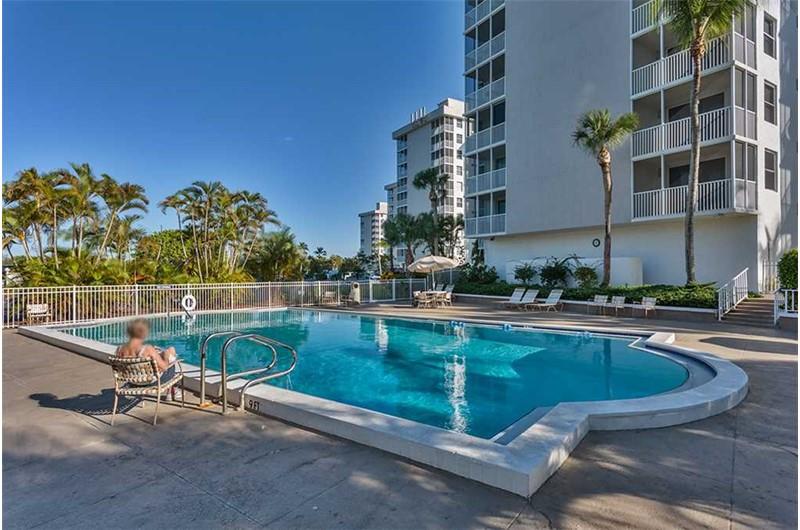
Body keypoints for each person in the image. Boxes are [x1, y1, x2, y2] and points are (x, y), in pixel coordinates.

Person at [117, 319, 179, 393]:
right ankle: (171, 392)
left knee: (166, 353)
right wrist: (166, 357)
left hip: (132, 382)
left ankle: (172, 392)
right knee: (171, 352)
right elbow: (164, 367)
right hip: (150, 382)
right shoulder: (147, 349)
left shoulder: (120, 349)